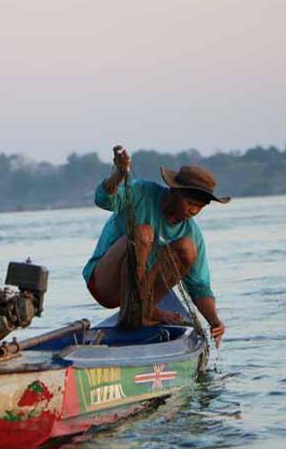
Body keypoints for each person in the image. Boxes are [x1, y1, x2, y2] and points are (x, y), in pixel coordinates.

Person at [82, 145, 228, 347]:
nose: (193, 211)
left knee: (187, 247)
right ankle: (138, 309)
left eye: (199, 207)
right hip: (105, 282)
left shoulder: (191, 232)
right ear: (174, 191)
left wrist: (214, 320)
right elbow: (104, 200)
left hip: (143, 291)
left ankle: (144, 307)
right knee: (143, 233)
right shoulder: (142, 192)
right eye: (189, 202)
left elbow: (200, 287)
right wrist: (119, 173)